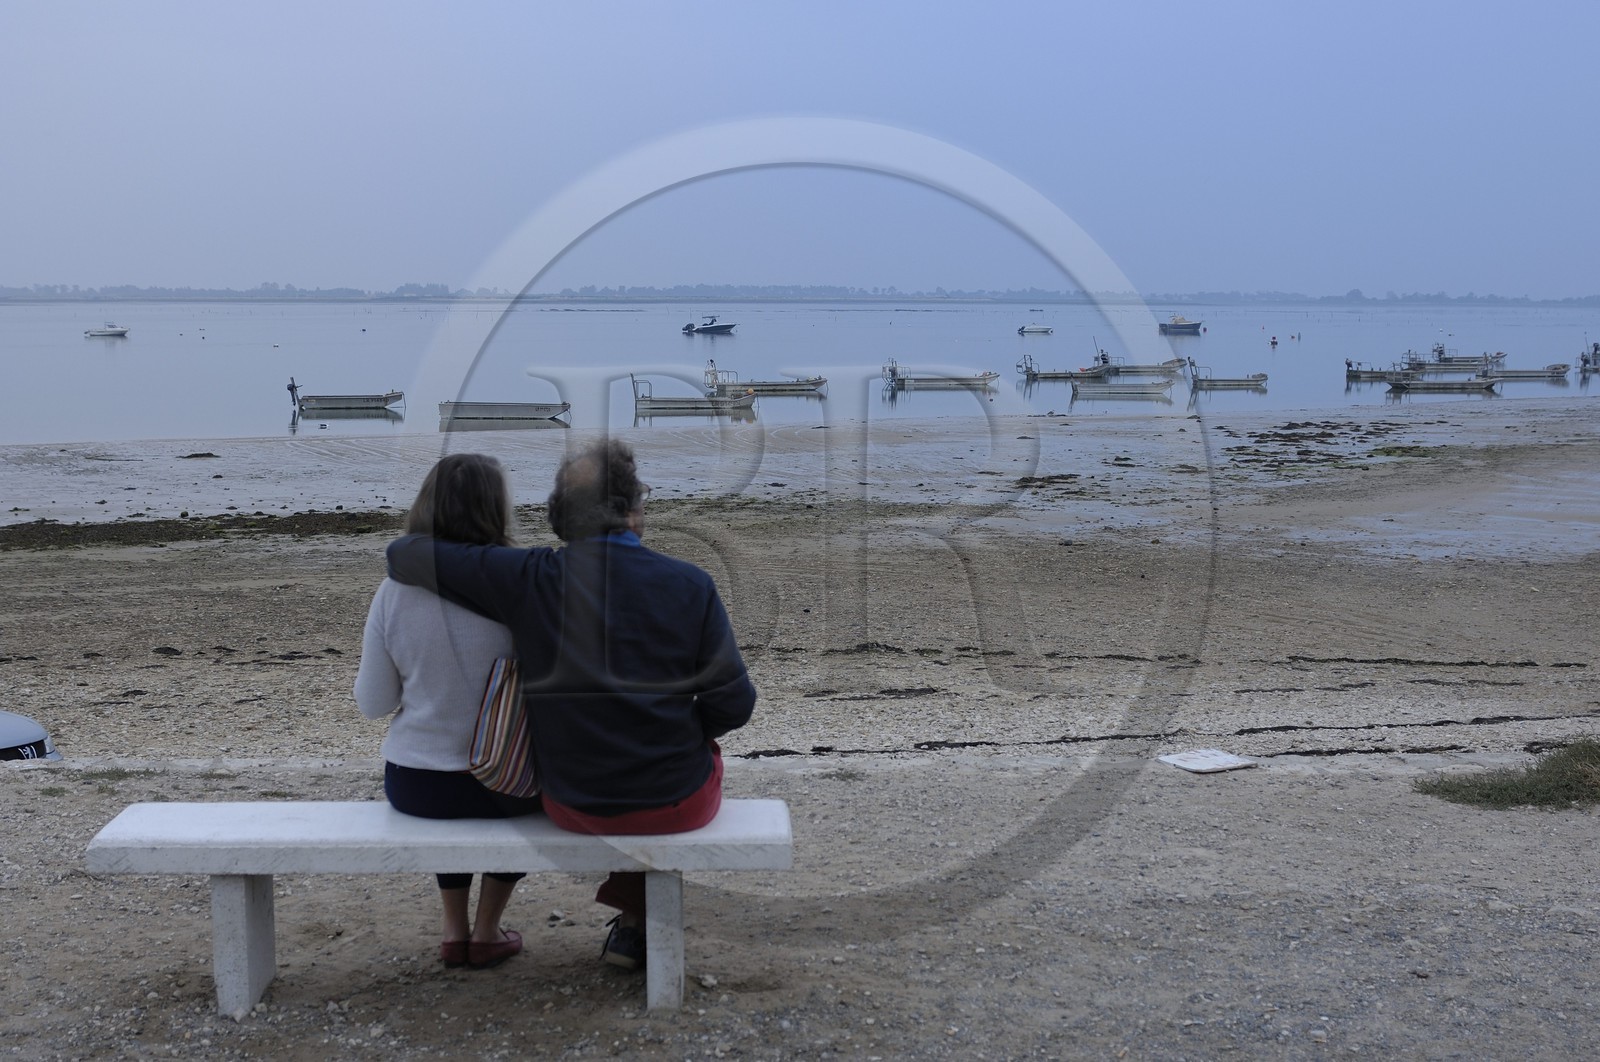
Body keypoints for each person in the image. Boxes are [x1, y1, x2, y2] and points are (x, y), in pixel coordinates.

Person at [384, 438, 756, 971]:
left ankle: (632, 925)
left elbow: (404, 553)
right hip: (674, 801)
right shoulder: (691, 584)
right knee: (688, 755)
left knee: (632, 760)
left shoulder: (530, 578)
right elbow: (734, 706)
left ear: (561, 519)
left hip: (572, 802)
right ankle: (633, 924)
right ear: (632, 510)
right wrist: (680, 725)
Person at [354, 453, 538, 970]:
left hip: (419, 784)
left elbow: (374, 704)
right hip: (509, 781)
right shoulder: (522, 585)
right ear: (497, 509)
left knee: (450, 802)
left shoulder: (394, 591)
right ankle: (487, 930)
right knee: (528, 799)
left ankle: (454, 930)